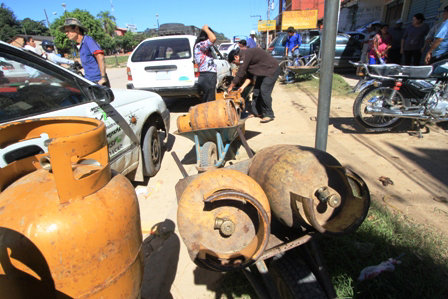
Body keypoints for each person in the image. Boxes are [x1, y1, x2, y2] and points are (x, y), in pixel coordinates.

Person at [227, 47, 280, 123]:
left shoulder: (245, 55)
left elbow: (240, 73)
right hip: (263, 72)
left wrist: (231, 86)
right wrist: (242, 87)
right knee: (256, 91)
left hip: (271, 70)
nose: (236, 64)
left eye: (234, 62)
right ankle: (257, 112)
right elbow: (250, 77)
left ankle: (269, 114)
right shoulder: (246, 59)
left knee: (264, 91)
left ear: (236, 57)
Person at [60, 18, 109, 87]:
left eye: (68, 31)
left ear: (76, 29)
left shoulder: (88, 40)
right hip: (90, 80)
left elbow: (100, 57)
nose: (66, 34)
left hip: (97, 81)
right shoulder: (80, 44)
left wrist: (103, 78)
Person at [193, 24, 217, 102]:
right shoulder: (200, 45)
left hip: (208, 75)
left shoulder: (204, 47)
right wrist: (206, 29)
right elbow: (213, 38)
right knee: (209, 100)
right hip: (207, 75)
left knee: (209, 99)